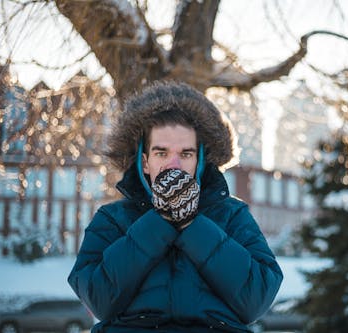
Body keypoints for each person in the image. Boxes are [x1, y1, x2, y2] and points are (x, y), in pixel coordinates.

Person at [68, 81, 283, 333]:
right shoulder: (112, 219)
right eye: (162, 153)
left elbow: (256, 300)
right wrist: (159, 221)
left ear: (200, 161)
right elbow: (99, 300)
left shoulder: (232, 215)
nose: (174, 164)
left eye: (186, 154)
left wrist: (193, 225)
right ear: (145, 162)